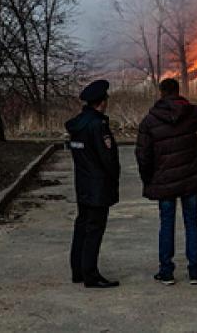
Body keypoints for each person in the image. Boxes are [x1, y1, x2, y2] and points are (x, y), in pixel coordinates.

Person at [135, 78, 197, 285]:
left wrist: (148, 179)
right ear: (178, 91)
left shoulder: (149, 121)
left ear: (160, 93)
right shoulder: (189, 112)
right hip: (190, 178)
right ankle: (195, 272)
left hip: (165, 180)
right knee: (191, 222)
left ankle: (166, 272)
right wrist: (193, 110)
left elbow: (142, 154)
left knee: (166, 223)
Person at [66, 79, 120, 288]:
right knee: (95, 229)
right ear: (101, 101)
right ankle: (91, 274)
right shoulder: (98, 126)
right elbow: (108, 159)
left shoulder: (78, 125)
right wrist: (114, 177)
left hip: (83, 183)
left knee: (81, 226)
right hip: (98, 186)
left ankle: (78, 270)